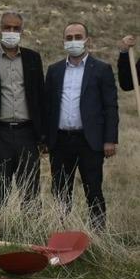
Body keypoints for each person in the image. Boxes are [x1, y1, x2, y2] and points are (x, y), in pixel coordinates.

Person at [45, 22, 118, 230]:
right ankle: (61, 232)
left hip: (90, 141)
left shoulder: (101, 70)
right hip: (60, 141)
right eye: (69, 38)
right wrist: (45, 139)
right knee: (60, 189)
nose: (73, 41)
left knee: (93, 189)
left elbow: (110, 106)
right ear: (63, 41)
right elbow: (48, 105)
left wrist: (110, 139)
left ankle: (97, 234)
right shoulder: (55, 70)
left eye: (78, 36)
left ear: (87, 40)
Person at [0, 11, 44, 209]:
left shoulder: (33, 58)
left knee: (30, 190)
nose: (11, 32)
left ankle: (29, 233)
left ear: (22, 31)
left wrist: (42, 135)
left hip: (27, 133)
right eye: (7, 28)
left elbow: (40, 96)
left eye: (15, 28)